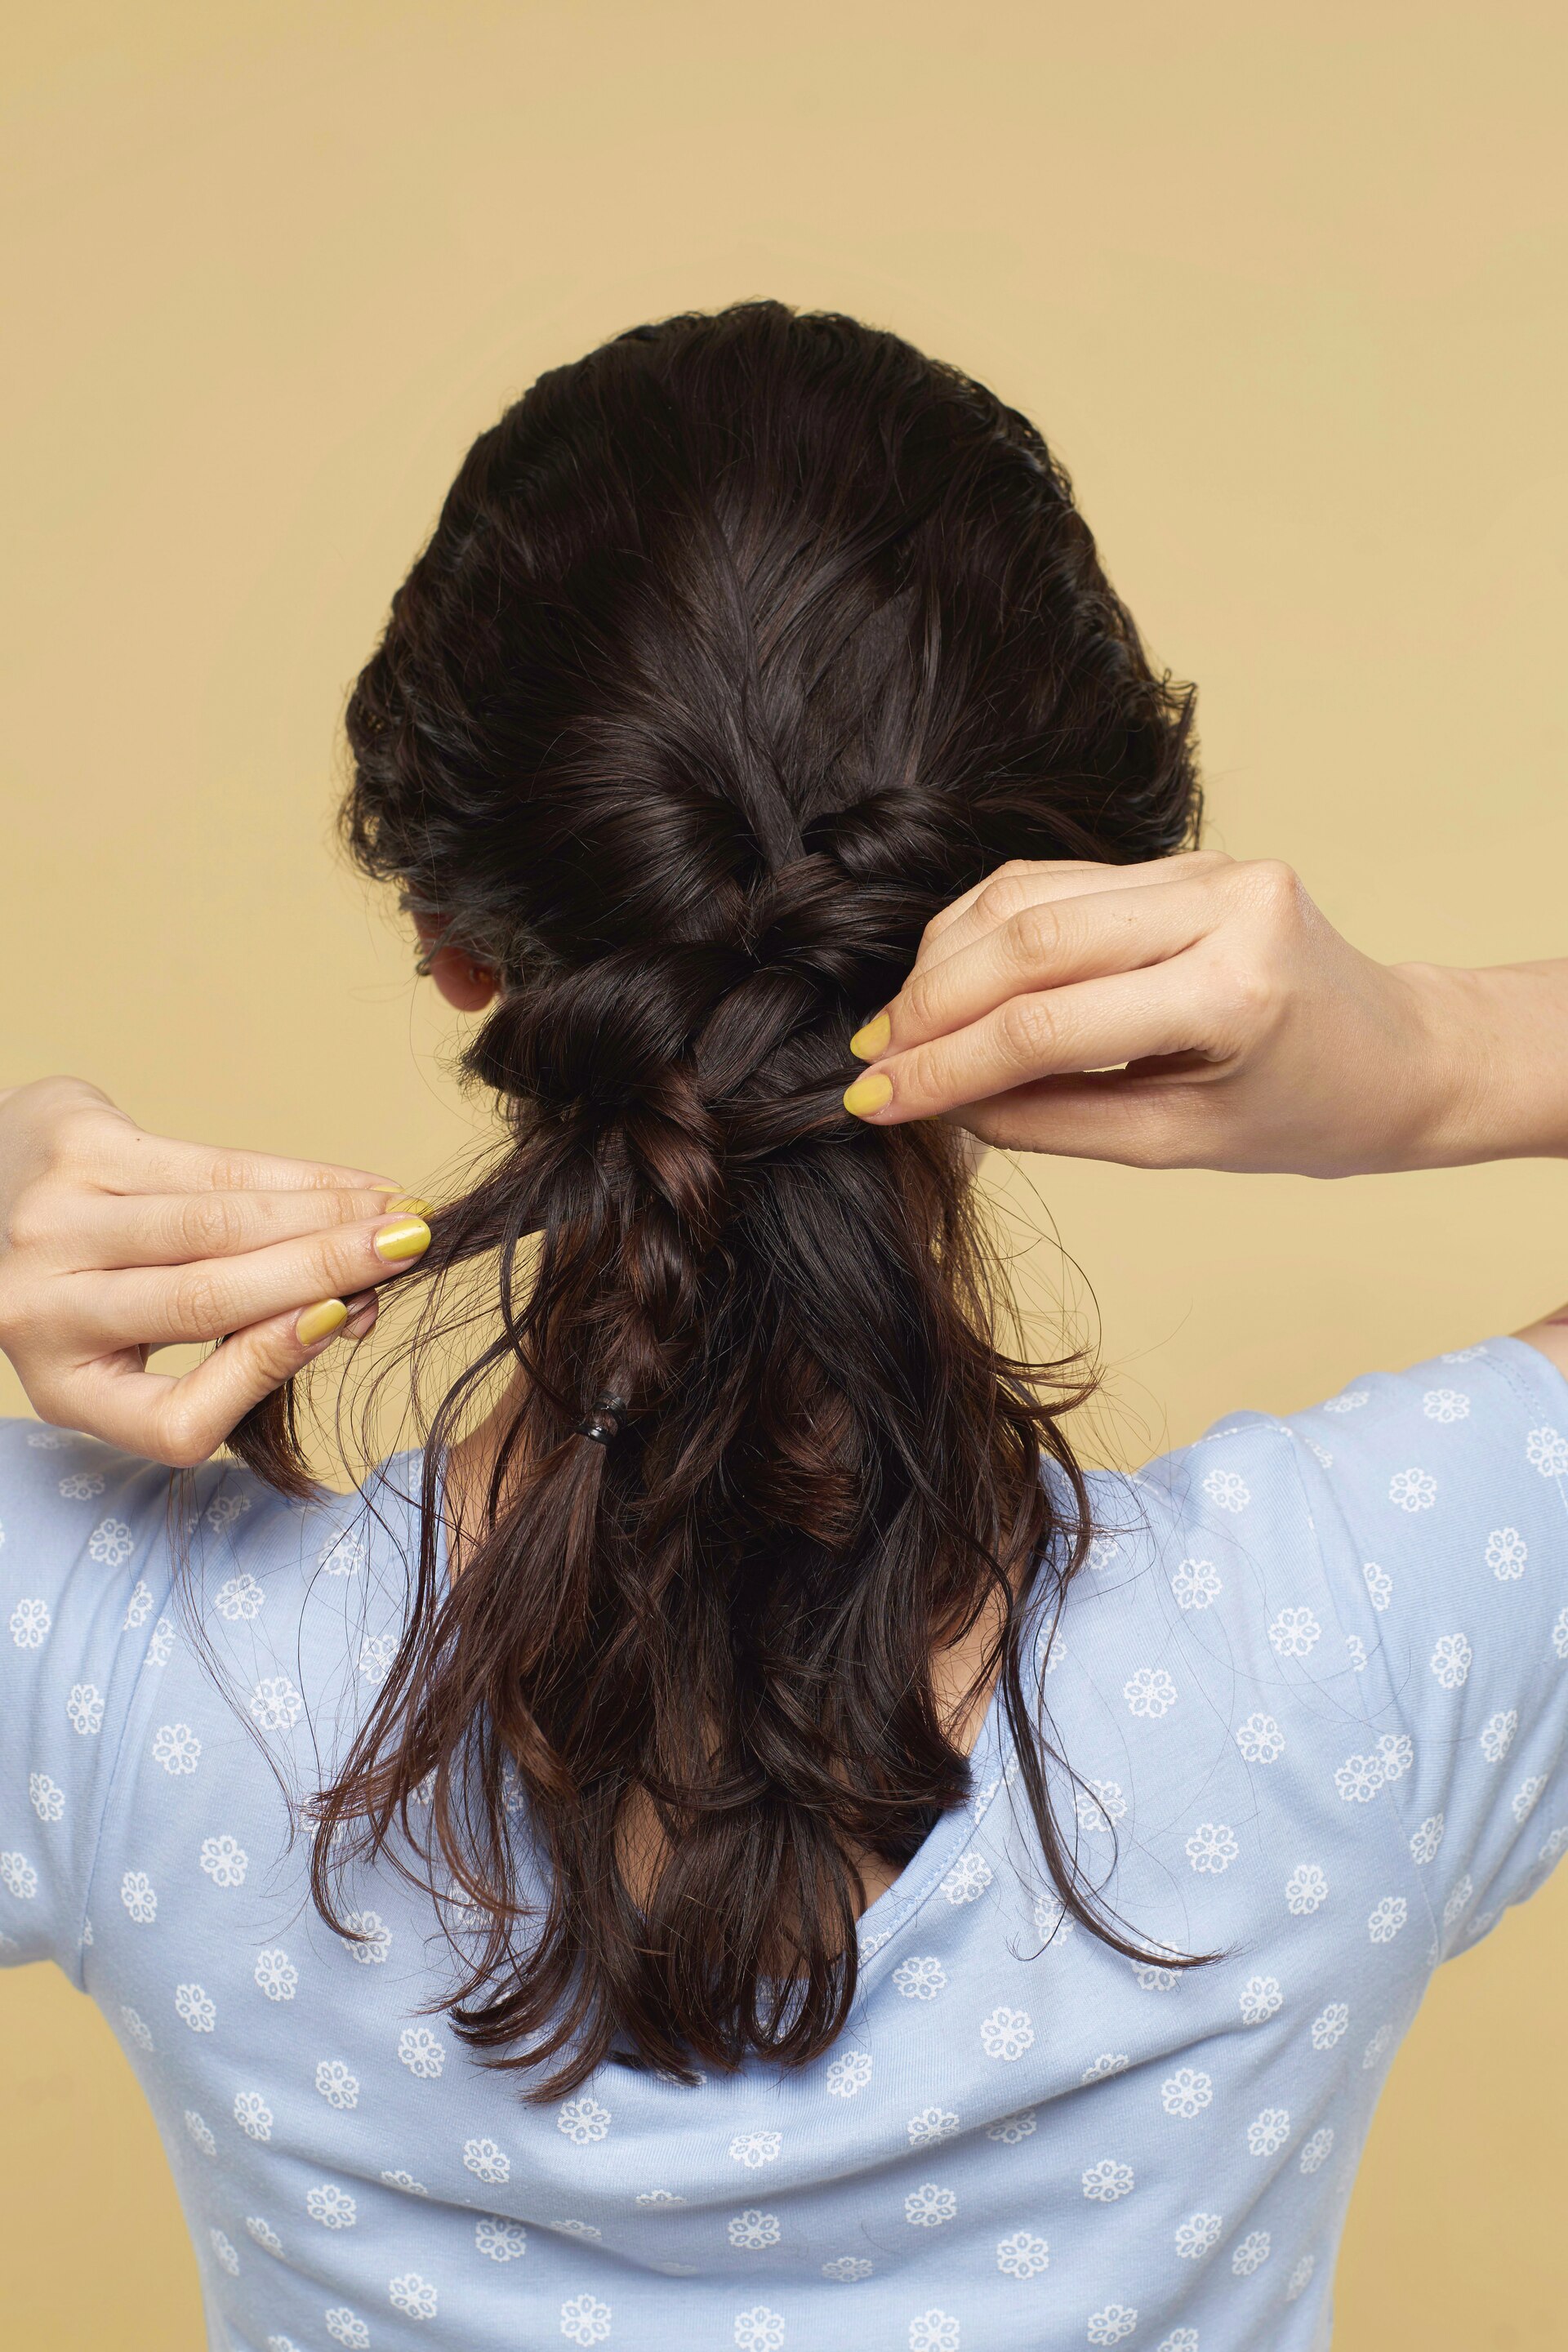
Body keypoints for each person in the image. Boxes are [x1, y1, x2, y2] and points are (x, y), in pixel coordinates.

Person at [2, 301, 1566, 2352]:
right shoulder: (1368, 1639)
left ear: (458, 945)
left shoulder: (113, 1667)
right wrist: (1446, 1058)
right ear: (1099, 907)